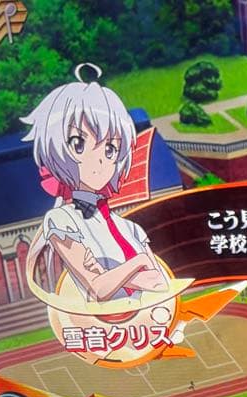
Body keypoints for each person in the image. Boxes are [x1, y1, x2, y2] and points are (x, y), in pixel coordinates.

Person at [22, 64, 167, 303]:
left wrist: (117, 276)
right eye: (78, 144)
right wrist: (138, 263)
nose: (99, 159)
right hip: (101, 322)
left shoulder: (129, 228)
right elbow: (98, 289)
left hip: (148, 319)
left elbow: (160, 282)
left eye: (110, 149)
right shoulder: (61, 220)